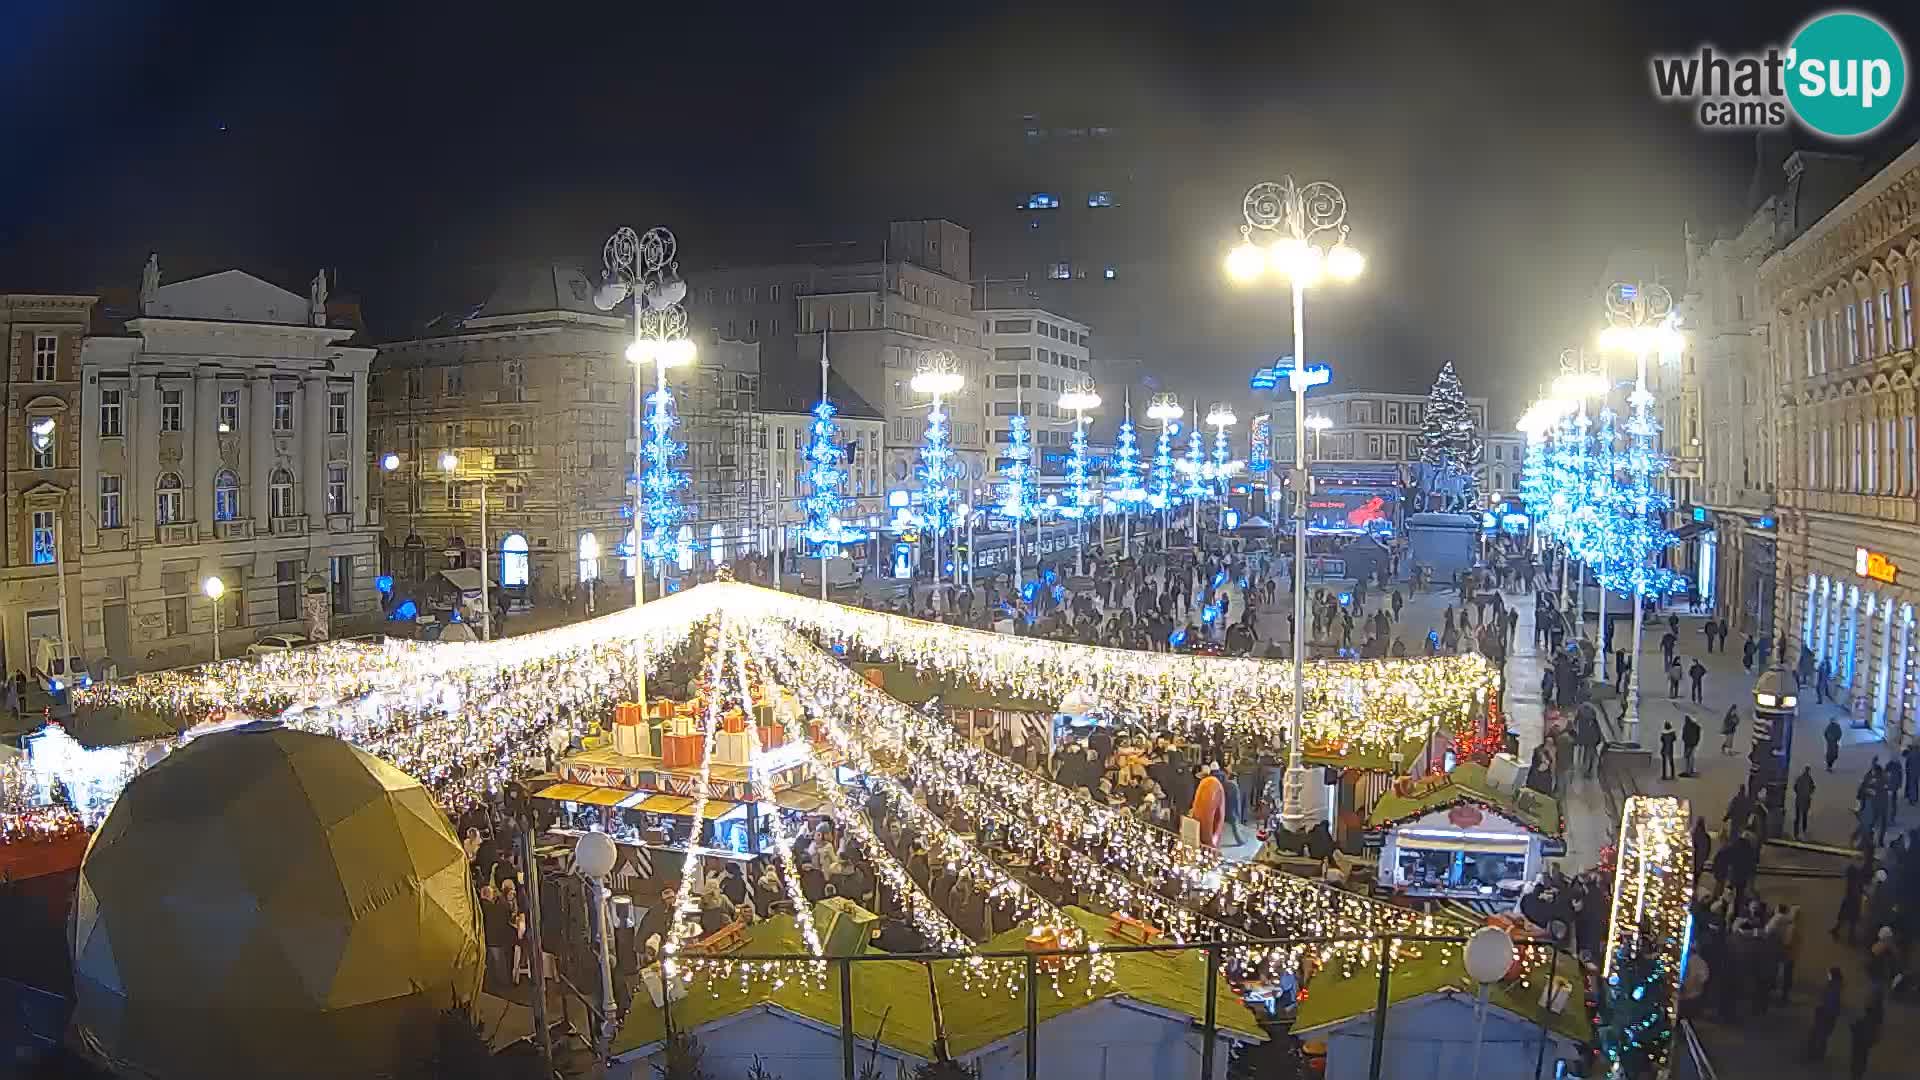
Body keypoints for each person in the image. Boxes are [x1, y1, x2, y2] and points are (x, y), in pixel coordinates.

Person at [1805, 967, 1844, 1062]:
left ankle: (1815, 1054)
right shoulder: (1838, 987)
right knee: (1822, 1035)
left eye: (1829, 974)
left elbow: (1828, 1001)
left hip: (1825, 1014)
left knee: (1818, 1034)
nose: (1828, 976)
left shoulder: (1833, 987)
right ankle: (1818, 1053)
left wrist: (1820, 1010)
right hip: (1829, 1015)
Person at [1849, 997, 1883, 1080]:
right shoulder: (1871, 1022)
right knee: (1862, 1058)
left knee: (1858, 1058)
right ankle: (1858, 1073)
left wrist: (1852, 1027)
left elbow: (1855, 1029)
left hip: (1860, 1043)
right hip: (1864, 1043)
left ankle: (1856, 1074)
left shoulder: (1864, 1021)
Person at [1794, 767, 1817, 838]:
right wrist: (1809, 793)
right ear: (1808, 770)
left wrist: (1799, 793)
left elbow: (1795, 787)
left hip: (1799, 799)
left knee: (1798, 817)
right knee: (1804, 816)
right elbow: (1813, 787)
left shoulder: (1799, 778)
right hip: (1805, 800)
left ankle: (1796, 833)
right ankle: (1803, 832)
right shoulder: (1809, 779)